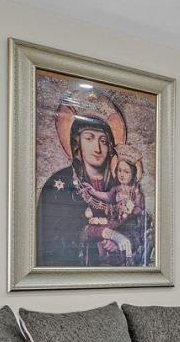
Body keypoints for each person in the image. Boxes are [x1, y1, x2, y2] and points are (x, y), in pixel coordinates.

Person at [36, 91, 152, 266]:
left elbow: (141, 226)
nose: (98, 148)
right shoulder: (60, 182)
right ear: (77, 143)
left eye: (104, 141)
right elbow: (51, 236)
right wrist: (103, 233)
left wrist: (123, 241)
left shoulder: (121, 182)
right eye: (89, 138)